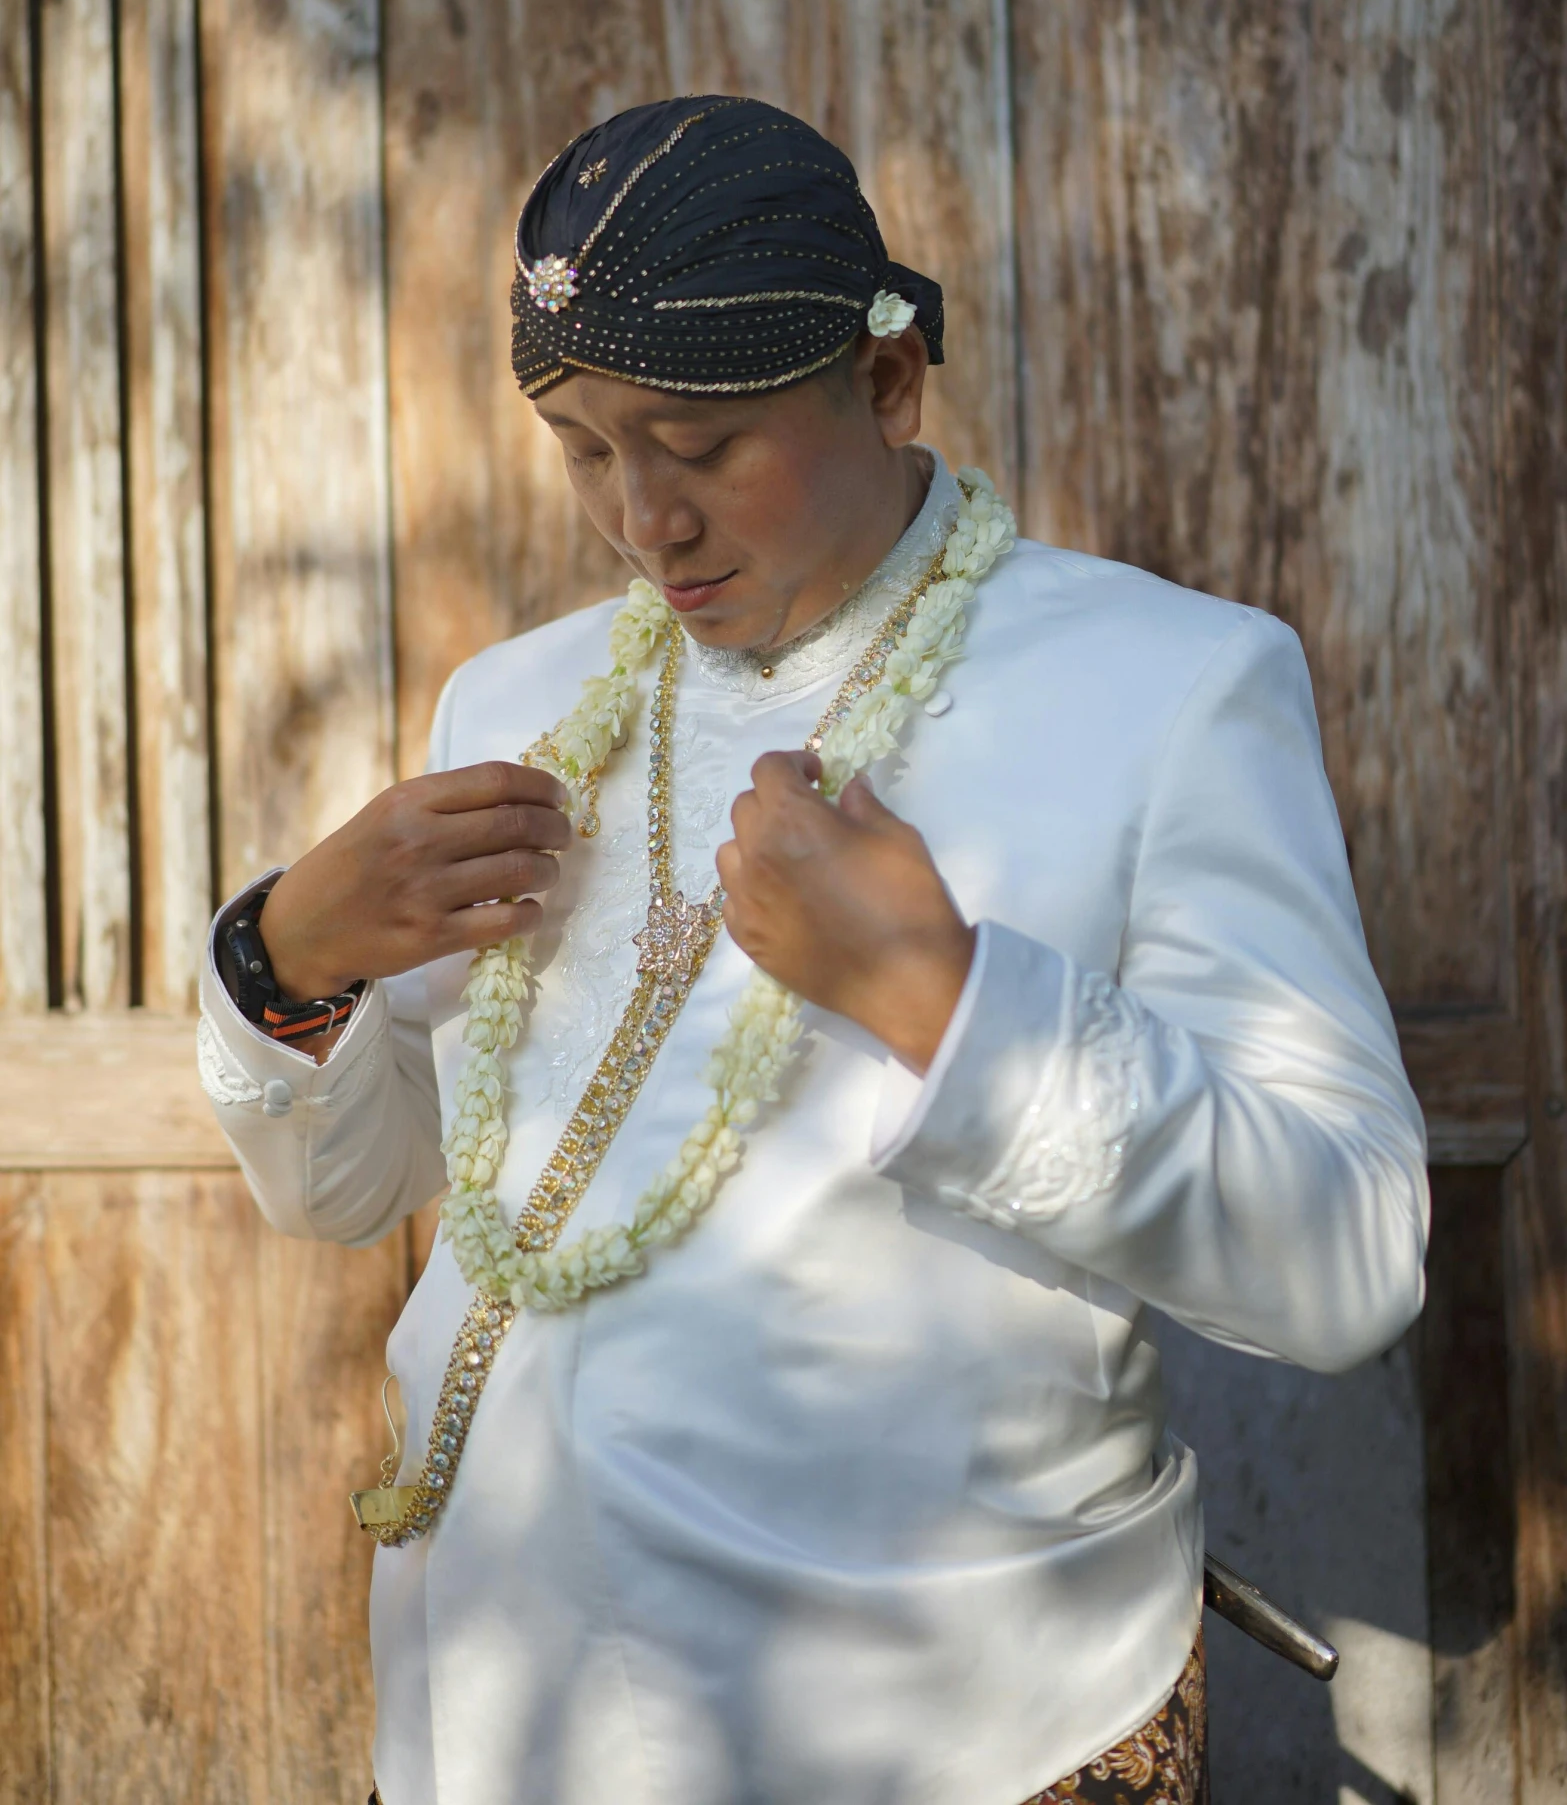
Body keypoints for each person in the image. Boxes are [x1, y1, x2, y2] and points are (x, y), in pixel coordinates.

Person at [198, 95, 1427, 1805]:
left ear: (887, 380)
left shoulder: (1168, 691)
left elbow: (1347, 1257)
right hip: (504, 1712)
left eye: (698, 442)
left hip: (955, 1733)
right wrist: (288, 963)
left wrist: (948, 1006)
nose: (642, 520)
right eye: (580, 443)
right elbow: (359, 1187)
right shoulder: (520, 702)